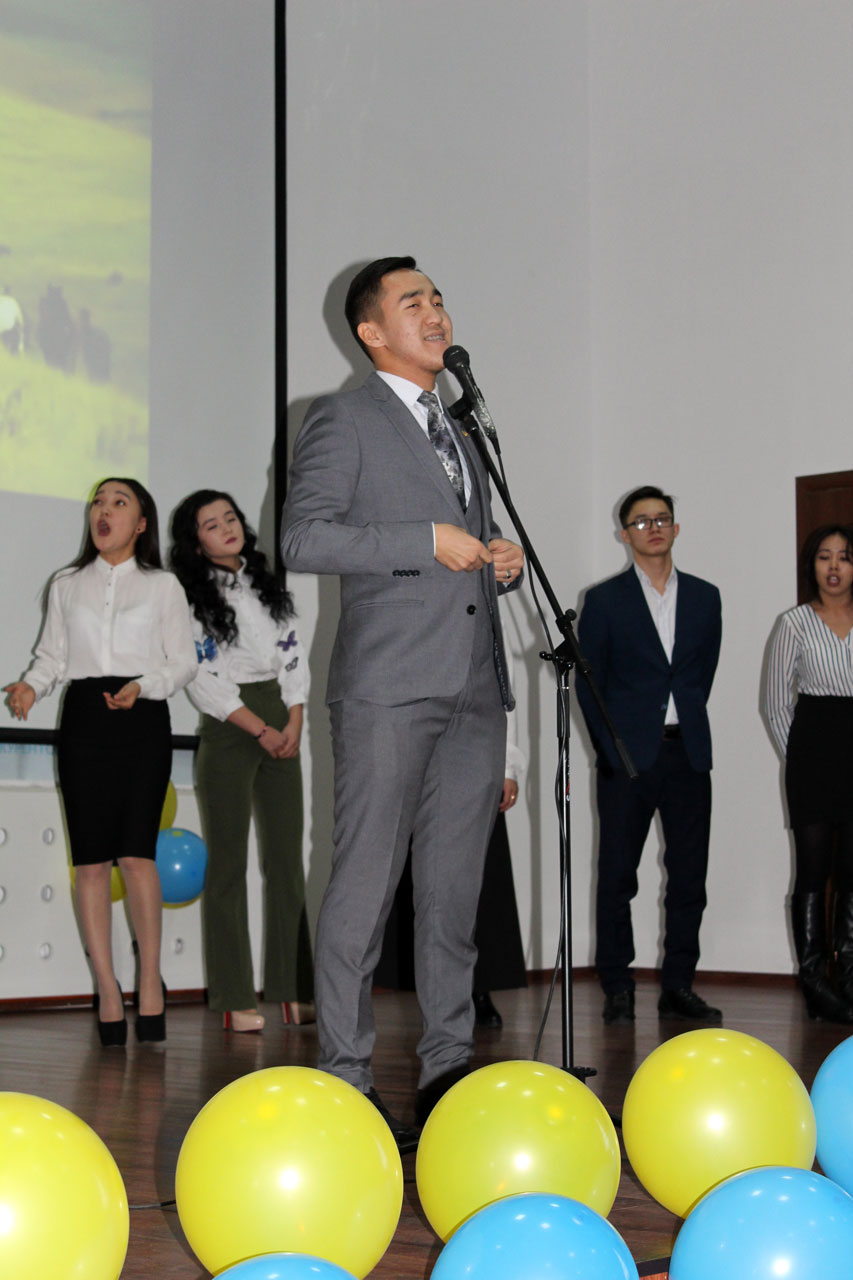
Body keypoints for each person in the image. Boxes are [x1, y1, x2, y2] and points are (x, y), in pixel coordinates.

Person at [281, 255, 523, 1147]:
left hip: (473, 690)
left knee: (453, 897)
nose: (435, 310)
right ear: (371, 331)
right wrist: (425, 540)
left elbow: (466, 546)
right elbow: (304, 537)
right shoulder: (340, 419)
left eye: (439, 297)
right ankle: (345, 1076)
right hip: (387, 688)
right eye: (412, 300)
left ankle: (446, 1071)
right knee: (365, 885)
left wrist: (495, 558)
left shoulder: (462, 426)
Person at [4, 478, 196, 1046]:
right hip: (85, 719)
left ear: (141, 523)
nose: (103, 511)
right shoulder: (66, 584)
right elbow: (51, 657)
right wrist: (30, 686)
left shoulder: (163, 586)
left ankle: (150, 983)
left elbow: (183, 663)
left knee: (136, 856)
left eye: (118, 503)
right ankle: (108, 991)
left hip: (143, 719)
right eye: (98, 502)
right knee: (89, 863)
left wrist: (144, 685)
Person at [576, 485, 722, 1026]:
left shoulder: (705, 597)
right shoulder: (604, 601)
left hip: (688, 755)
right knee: (618, 876)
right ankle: (617, 985)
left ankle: (679, 985)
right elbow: (589, 685)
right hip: (627, 762)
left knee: (689, 878)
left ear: (676, 528)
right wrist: (610, 749)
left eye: (662, 519)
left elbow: (701, 675)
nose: (653, 528)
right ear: (625, 534)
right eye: (641, 521)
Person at [170, 490, 314, 1033]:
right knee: (228, 865)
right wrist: (260, 728)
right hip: (231, 724)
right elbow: (199, 675)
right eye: (211, 524)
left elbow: (293, 653)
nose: (227, 527)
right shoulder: (187, 597)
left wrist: (294, 719)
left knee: (286, 862)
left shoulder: (266, 584)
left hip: (281, 713)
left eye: (230, 517)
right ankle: (234, 997)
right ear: (195, 543)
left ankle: (293, 989)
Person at [765, 524, 853, 1024]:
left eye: (844, 557)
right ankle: (815, 980)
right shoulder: (794, 623)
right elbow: (776, 702)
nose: (834, 566)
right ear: (812, 565)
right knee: (814, 868)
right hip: (814, 758)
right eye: (825, 556)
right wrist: (799, 758)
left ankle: (850, 974)